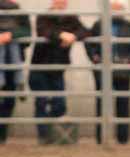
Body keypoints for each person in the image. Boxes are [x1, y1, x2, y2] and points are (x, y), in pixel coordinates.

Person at [29, 0, 89, 144]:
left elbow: (85, 31)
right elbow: (44, 31)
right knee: (41, 102)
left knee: (59, 103)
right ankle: (43, 136)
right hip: (40, 66)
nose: (60, 3)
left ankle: (52, 132)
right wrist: (61, 35)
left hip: (58, 67)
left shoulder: (71, 17)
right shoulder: (43, 16)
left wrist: (74, 36)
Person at [86, 0, 130, 144]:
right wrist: (94, 57)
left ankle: (123, 139)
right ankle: (101, 138)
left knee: (123, 103)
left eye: (119, 8)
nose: (116, 11)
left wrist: (129, 59)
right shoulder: (99, 25)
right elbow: (89, 43)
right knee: (101, 103)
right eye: (114, 8)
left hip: (122, 71)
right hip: (102, 71)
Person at [0, 0, 30, 144]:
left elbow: (27, 32)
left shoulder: (20, 12)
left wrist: (10, 35)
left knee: (9, 101)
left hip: (13, 64)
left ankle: (2, 135)